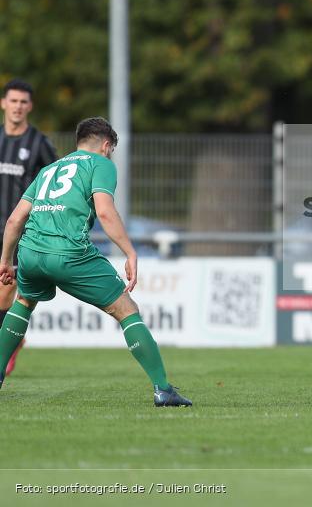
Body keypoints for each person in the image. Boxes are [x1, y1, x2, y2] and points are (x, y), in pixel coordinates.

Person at [0, 117, 191, 406]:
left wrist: (5, 260)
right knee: (126, 309)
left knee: (23, 303)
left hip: (30, 253)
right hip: (69, 252)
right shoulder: (100, 164)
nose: (110, 154)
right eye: (110, 149)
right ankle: (163, 389)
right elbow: (104, 212)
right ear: (106, 145)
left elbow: (15, 219)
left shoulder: (49, 170)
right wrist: (130, 251)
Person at [0, 79, 58, 376]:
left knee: (3, 296)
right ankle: (15, 338)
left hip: (21, 234)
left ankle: (6, 348)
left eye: (23, 102)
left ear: (30, 107)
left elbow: (57, 183)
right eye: (13, 101)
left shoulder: (39, 144)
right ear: (3, 103)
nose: (18, 107)